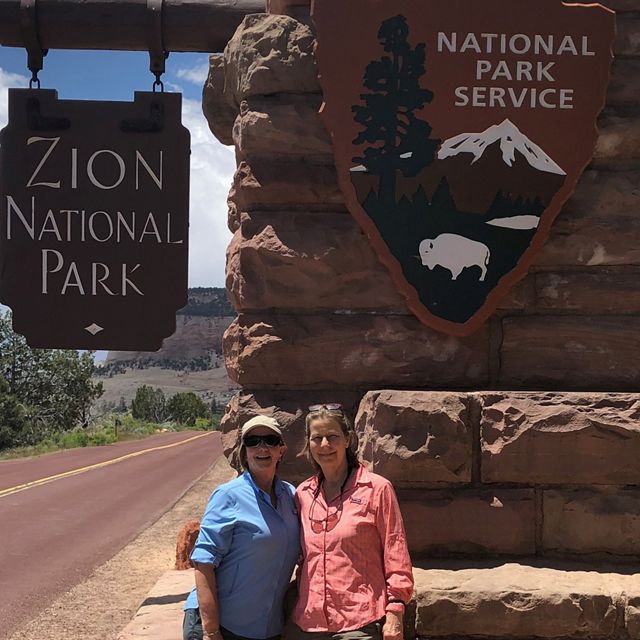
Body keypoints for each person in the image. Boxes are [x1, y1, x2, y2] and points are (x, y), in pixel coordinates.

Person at [291, 404, 413, 640]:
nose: (324, 445)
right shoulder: (303, 494)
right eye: (317, 438)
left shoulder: (377, 489)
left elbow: (395, 552)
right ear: (309, 443)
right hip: (310, 623)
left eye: (332, 436)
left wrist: (395, 611)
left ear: (348, 440)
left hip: (358, 622)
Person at [183, 415, 300, 640]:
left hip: (266, 627)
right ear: (244, 450)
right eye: (253, 441)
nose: (262, 447)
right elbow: (204, 564)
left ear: (281, 450)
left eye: (270, 440)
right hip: (221, 625)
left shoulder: (291, 496)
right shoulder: (228, 496)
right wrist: (211, 631)